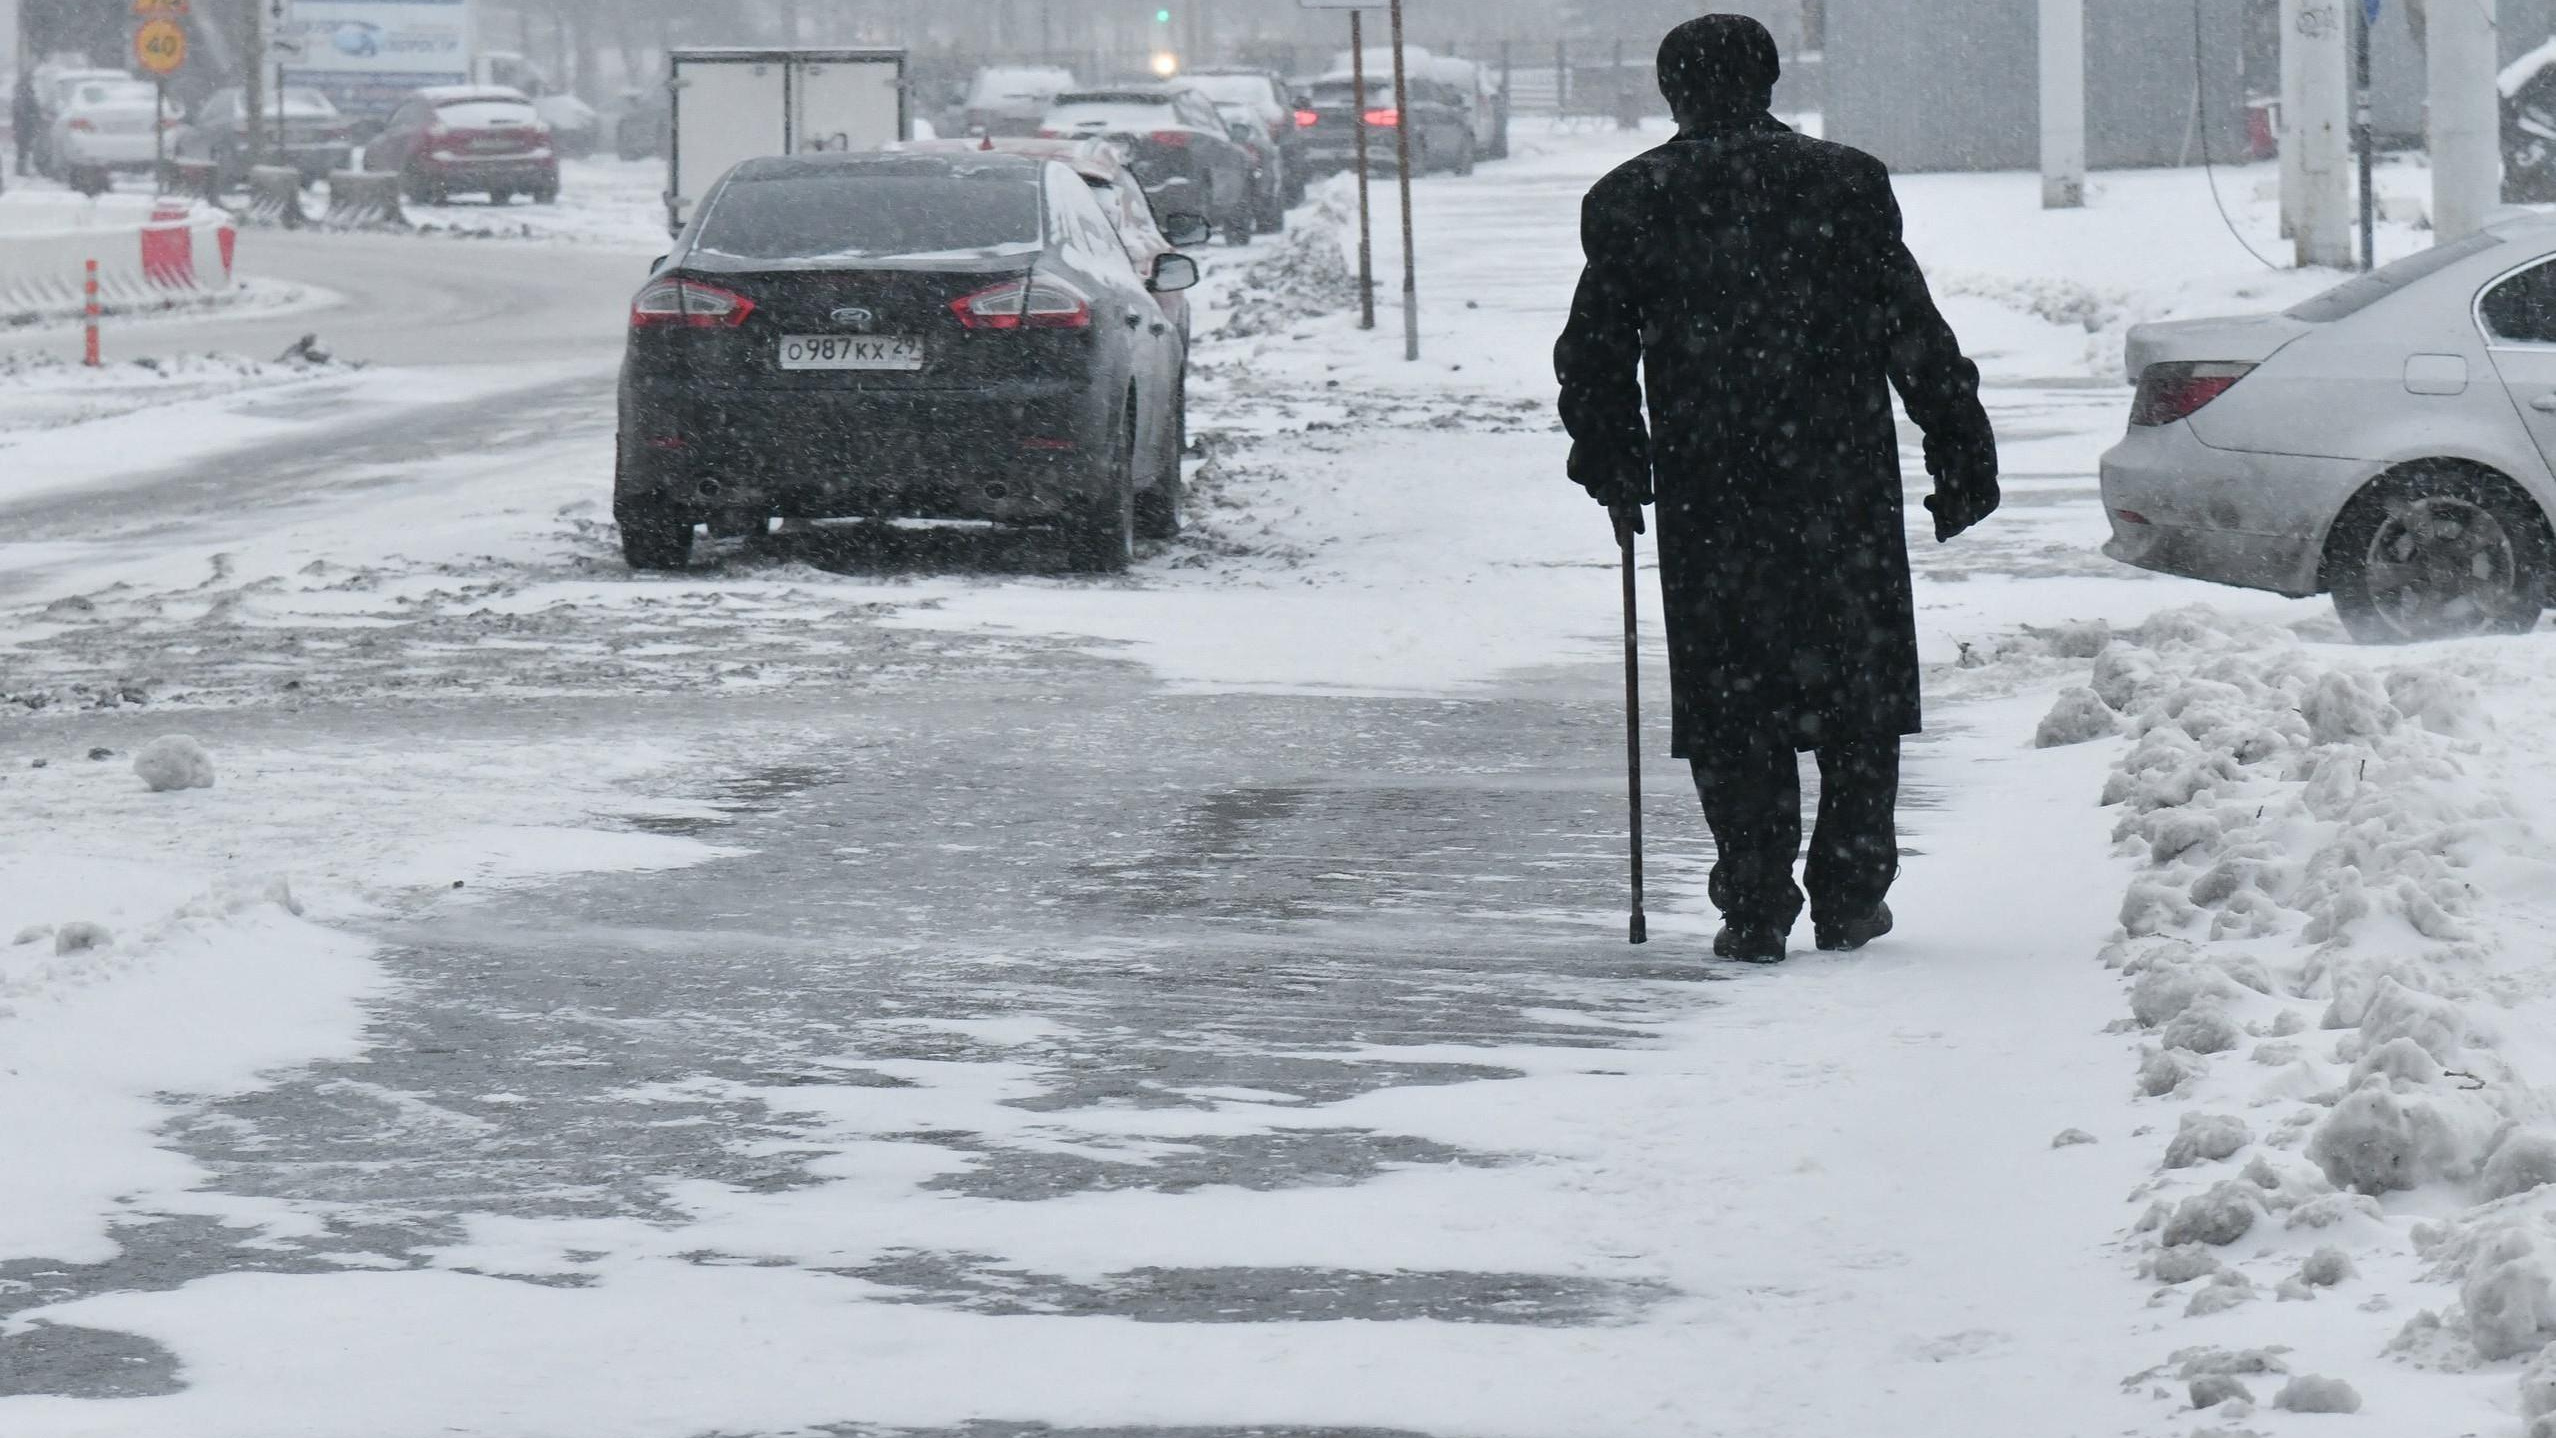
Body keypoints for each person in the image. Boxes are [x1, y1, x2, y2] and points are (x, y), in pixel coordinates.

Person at [1554, 14, 1999, 965]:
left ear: (1672, 90)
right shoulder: (1845, 183)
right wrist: (1958, 441)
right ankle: (1849, 891)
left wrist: (1614, 458)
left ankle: (1755, 904)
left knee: (1731, 695)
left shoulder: (1633, 199)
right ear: (1772, 82)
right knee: (1858, 689)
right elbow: (1908, 326)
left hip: (1712, 490)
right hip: (1839, 480)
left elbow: (1596, 352)